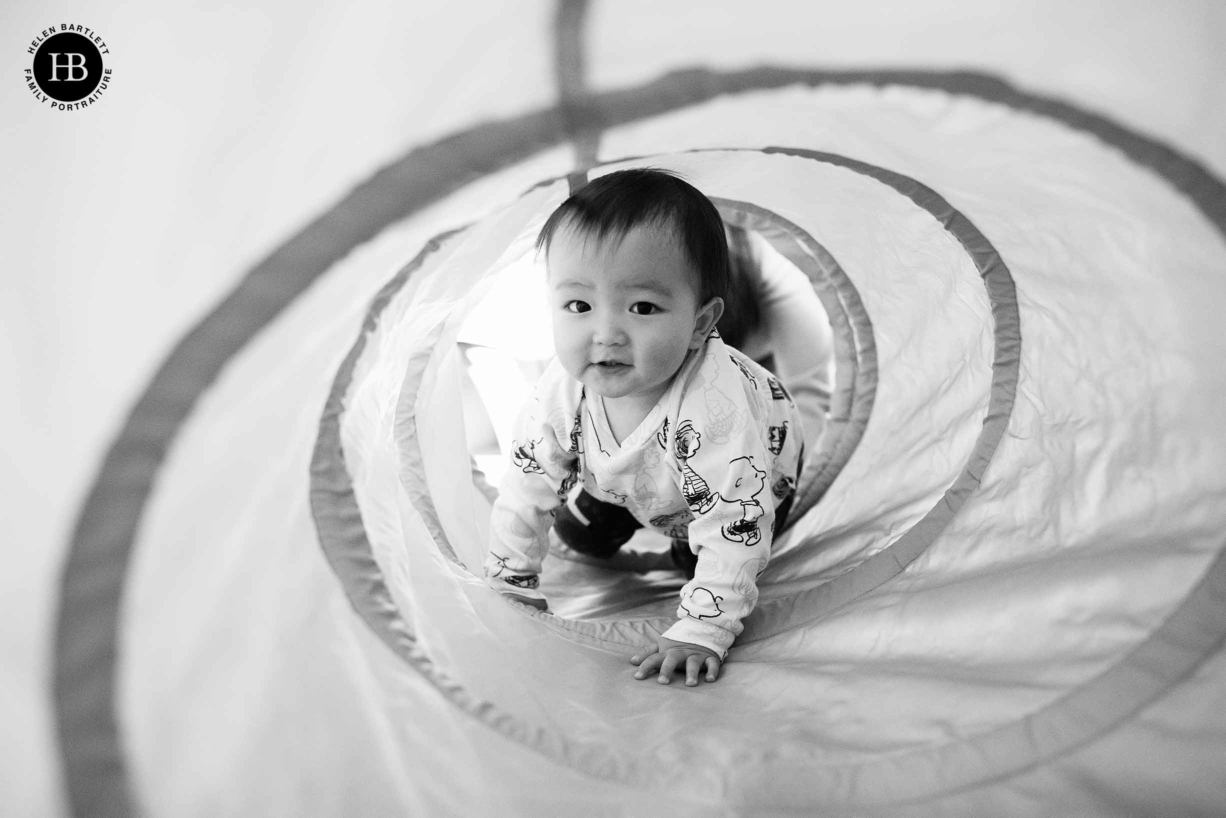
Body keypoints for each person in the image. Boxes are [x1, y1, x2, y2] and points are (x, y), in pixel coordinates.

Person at [483, 168, 806, 687]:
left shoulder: (715, 407)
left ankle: (675, 544)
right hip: (631, 482)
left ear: (700, 323)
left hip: (745, 487)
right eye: (579, 305)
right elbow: (525, 485)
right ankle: (616, 510)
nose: (605, 333)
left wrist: (703, 628)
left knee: (696, 563)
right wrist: (509, 581)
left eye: (643, 307)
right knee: (580, 536)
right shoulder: (561, 391)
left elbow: (734, 521)